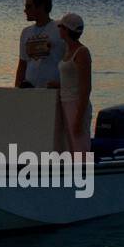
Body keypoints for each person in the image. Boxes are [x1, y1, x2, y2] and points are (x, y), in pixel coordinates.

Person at [50, 12, 92, 155]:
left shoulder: (82, 52)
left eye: (61, 27)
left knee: (80, 146)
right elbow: (70, 80)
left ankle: (85, 174)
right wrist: (57, 85)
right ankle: (72, 175)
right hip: (64, 102)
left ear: (67, 30)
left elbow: (85, 88)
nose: (59, 30)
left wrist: (79, 118)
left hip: (76, 104)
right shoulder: (67, 51)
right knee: (69, 146)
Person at [14, 0, 65, 89]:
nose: (25, 10)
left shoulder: (59, 28)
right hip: (30, 88)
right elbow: (22, 64)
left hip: (52, 89)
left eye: (29, 7)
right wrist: (17, 88)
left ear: (41, 7)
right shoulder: (26, 32)